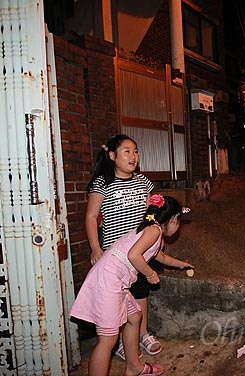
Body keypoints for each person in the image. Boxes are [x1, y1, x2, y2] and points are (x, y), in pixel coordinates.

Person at [71, 194, 194, 376]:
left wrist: (181, 264)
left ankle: (134, 367)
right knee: (108, 339)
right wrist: (151, 274)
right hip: (108, 280)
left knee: (135, 316)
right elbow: (134, 255)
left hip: (116, 281)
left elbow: (160, 257)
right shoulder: (154, 231)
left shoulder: (152, 231)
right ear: (173, 219)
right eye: (178, 222)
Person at [86, 134, 163, 359]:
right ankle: (121, 343)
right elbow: (91, 217)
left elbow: (150, 214)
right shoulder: (102, 183)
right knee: (118, 299)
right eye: (127, 151)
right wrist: (95, 248)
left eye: (136, 151)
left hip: (139, 252)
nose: (133, 156)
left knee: (141, 294)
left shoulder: (143, 182)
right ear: (112, 155)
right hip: (115, 255)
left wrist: (156, 240)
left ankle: (142, 334)